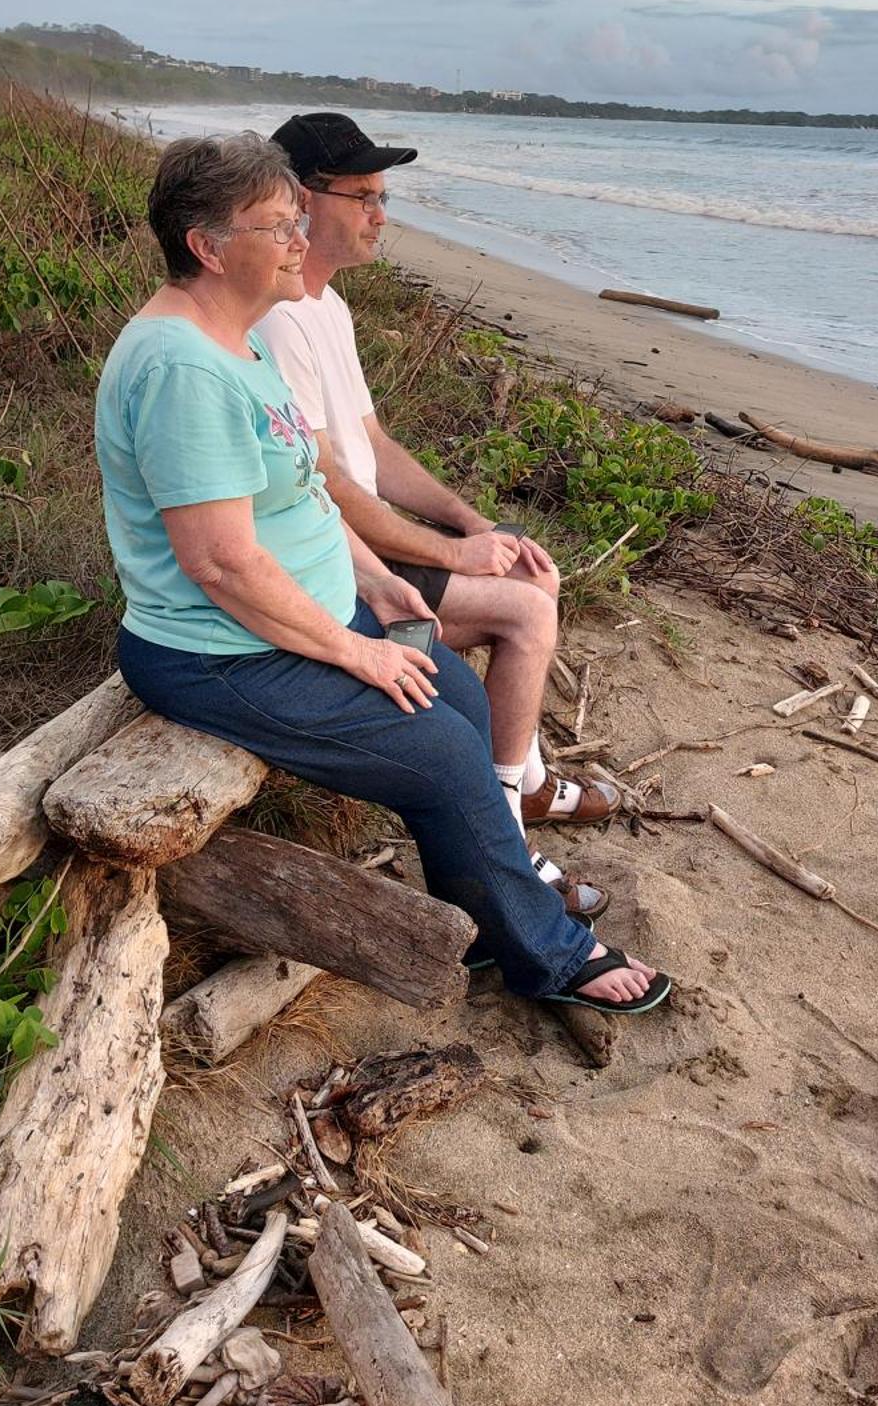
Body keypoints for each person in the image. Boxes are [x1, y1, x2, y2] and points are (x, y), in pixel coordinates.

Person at [94, 129, 670, 1016]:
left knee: (460, 701)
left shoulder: (233, 339)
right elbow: (220, 561)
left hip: (295, 618)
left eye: (297, 220)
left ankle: (482, 919)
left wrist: (369, 577)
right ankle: (548, 957)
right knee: (441, 753)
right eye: (278, 227)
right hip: (220, 654)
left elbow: (303, 491)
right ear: (208, 247)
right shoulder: (182, 368)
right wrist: (354, 653)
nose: (299, 241)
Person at [257, 112, 621, 921]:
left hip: (359, 542)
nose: (380, 215)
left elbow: (373, 447)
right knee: (524, 611)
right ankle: (504, 817)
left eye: (382, 197)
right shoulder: (277, 319)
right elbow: (326, 486)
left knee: (519, 559)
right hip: (329, 559)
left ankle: (519, 780)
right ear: (300, 202)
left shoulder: (325, 307)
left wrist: (474, 524)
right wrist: (451, 557)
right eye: (364, 197)